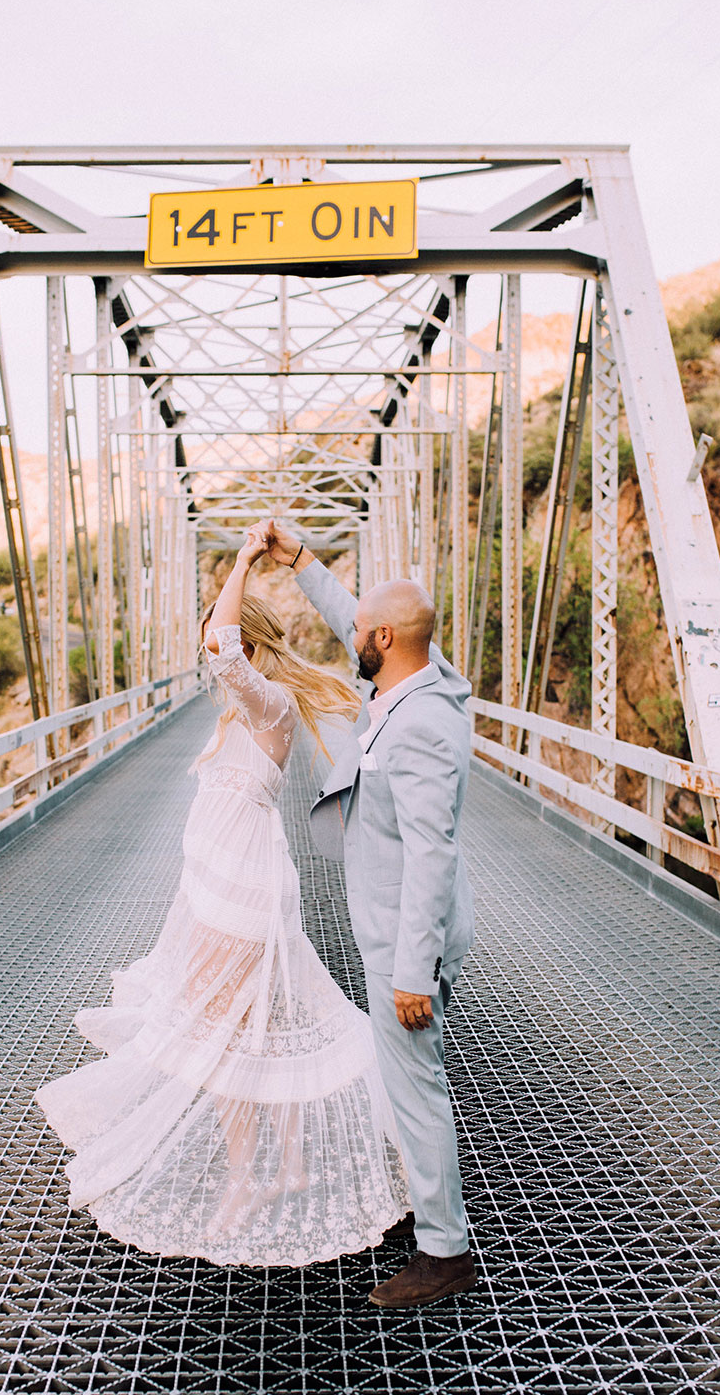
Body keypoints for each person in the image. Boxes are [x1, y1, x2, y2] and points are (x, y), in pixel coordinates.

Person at [34, 524, 410, 1267]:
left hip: (240, 899)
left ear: (252, 644)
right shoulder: (244, 712)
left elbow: (221, 645)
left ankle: (245, 1179)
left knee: (225, 1041)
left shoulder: (266, 703)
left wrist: (241, 562)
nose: (211, 649)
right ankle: (287, 1164)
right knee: (253, 1033)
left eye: (225, 632)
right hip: (224, 892)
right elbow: (221, 647)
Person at [263, 518, 477, 1308]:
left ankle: (445, 1252)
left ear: (384, 638)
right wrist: (303, 567)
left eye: (359, 631)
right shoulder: (414, 678)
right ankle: (427, 1214)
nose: (349, 633)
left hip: (406, 943)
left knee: (418, 1087)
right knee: (407, 1080)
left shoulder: (422, 723)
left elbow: (434, 854)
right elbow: (359, 612)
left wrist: (412, 972)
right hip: (390, 930)